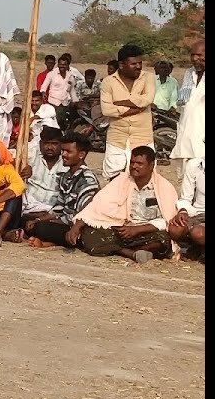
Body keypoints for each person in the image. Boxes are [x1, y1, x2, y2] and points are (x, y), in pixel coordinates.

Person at [72, 146, 178, 264]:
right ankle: (128, 253)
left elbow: (167, 220)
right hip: (122, 229)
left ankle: (136, 250)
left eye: (139, 163)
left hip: (147, 232)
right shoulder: (121, 180)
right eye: (132, 162)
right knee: (90, 234)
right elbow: (98, 205)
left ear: (151, 165)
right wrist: (77, 226)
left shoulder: (164, 187)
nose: (134, 166)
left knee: (163, 239)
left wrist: (137, 230)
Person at [99, 43, 155, 179]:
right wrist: (138, 107)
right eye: (133, 64)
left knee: (145, 178)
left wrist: (119, 104)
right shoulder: (108, 82)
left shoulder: (148, 77)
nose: (138, 67)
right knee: (113, 179)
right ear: (121, 65)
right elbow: (106, 110)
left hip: (142, 137)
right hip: (117, 139)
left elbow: (148, 99)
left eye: (140, 63)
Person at [171, 41, 205, 162]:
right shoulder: (189, 73)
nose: (195, 59)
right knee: (186, 177)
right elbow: (183, 101)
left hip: (202, 138)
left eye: (199, 55)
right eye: (192, 55)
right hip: (186, 137)